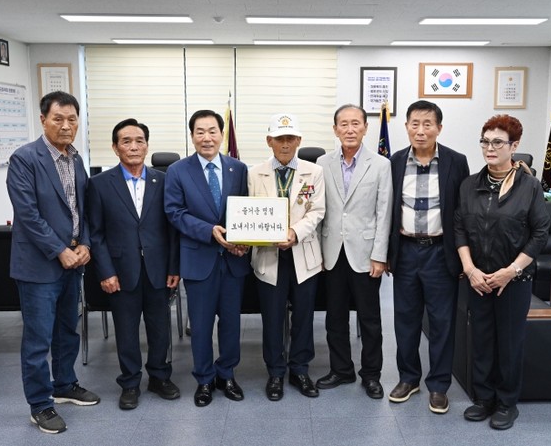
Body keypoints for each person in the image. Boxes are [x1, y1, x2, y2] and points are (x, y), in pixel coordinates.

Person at [6, 91, 100, 434]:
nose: (66, 126)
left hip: (73, 261)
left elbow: (83, 209)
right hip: (40, 265)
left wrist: (85, 243)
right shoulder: (24, 159)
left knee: (67, 330)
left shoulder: (76, 158)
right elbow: (27, 215)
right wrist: (60, 250)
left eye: (72, 119)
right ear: (43, 119)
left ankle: (64, 384)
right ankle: (40, 404)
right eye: (58, 119)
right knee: (38, 338)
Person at [454, 114, 549, 430]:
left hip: (514, 279)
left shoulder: (529, 186)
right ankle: (484, 398)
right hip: (478, 278)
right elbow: (459, 228)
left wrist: (511, 270)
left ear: (514, 145)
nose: (490, 148)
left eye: (497, 142)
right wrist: (470, 269)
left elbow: (540, 233)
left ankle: (507, 403)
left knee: (509, 342)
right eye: (485, 141)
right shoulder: (469, 185)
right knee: (481, 340)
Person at [87, 118, 181, 410]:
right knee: (126, 330)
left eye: (139, 140)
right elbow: (96, 234)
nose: (134, 146)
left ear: (147, 146)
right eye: (126, 141)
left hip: (158, 269)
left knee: (160, 328)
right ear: (115, 148)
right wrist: (105, 271)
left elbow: (173, 229)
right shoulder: (99, 184)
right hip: (120, 270)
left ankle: (159, 377)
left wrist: (174, 267)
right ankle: (129, 382)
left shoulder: (163, 181)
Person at [387, 100, 469, 414]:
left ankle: (439, 385)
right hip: (406, 252)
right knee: (405, 320)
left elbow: (462, 213)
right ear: (406, 126)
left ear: (439, 128)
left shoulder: (456, 161)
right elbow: (388, 211)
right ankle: (409, 378)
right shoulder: (394, 161)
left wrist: (462, 256)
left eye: (427, 124)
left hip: (440, 252)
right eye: (415, 124)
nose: (420, 131)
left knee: (442, 322)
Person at [164, 109, 251, 407]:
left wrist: (244, 242)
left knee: (231, 324)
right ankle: (204, 379)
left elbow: (245, 210)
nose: (207, 137)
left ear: (222, 134)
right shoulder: (178, 171)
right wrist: (208, 231)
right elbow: (174, 212)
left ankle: (226, 374)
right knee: (200, 326)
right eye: (200, 132)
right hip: (199, 258)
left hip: (233, 260)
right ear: (192, 136)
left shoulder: (238, 168)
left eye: (212, 131)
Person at [315, 104, 393, 399]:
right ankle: (341, 370)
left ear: (365, 128)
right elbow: (318, 210)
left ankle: (371, 375)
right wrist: (318, 253)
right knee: (335, 317)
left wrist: (380, 255)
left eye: (355, 123)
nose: (350, 129)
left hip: (366, 253)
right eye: (344, 124)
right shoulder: (322, 163)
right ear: (335, 129)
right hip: (332, 251)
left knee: (369, 320)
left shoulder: (380, 165)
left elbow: (384, 213)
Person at [248, 114, 325, 401]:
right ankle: (276, 372)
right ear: (269, 141)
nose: (285, 144)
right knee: (272, 317)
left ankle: (300, 370)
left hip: (303, 253)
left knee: (303, 316)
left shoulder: (313, 172)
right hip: (269, 255)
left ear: (299, 141)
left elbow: (317, 211)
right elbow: (249, 212)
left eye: (290, 138)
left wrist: (294, 232)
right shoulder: (254, 173)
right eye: (279, 138)